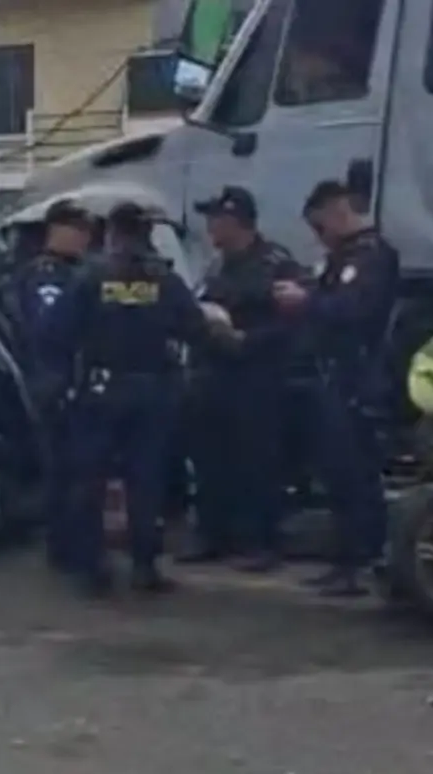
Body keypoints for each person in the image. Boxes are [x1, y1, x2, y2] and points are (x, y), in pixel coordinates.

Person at [48, 201, 240, 595]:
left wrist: (62, 378)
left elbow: (57, 331)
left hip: (102, 390)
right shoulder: (164, 279)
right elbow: (195, 329)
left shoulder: (91, 276)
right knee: (146, 479)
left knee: (91, 479)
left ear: (113, 232)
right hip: (154, 390)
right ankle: (144, 565)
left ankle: (92, 567)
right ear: (146, 234)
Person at [272, 180, 398, 597]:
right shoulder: (340, 258)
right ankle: (345, 560)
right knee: (336, 475)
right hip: (330, 377)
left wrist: (305, 302)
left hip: (354, 380)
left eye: (320, 228)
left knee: (355, 474)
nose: (318, 238)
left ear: (337, 212)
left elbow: (355, 311)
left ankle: (362, 562)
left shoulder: (371, 257)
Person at [183, 186, 308, 572]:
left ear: (235, 221)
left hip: (257, 378)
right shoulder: (215, 266)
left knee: (258, 461)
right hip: (213, 376)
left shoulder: (275, 264)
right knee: (210, 459)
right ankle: (213, 534)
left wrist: (246, 341)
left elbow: (293, 325)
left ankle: (262, 542)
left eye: (215, 220)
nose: (209, 228)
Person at [0, 199, 95, 574]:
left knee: (80, 472)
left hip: (78, 384)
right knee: (66, 472)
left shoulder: (82, 271)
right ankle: (67, 548)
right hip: (56, 385)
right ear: (58, 231)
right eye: (79, 230)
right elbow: (45, 331)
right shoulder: (45, 276)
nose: (85, 239)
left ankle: (76, 545)